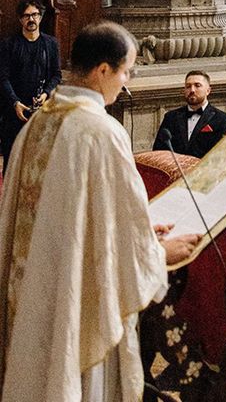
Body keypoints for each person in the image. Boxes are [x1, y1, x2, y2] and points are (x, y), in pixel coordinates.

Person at [0, 21, 198, 401]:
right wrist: (157, 254)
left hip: (33, 289)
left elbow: (76, 213)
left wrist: (140, 232)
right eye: (126, 72)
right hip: (74, 295)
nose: (125, 83)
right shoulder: (100, 132)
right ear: (103, 70)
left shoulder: (38, 122)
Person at [0, 0, 61, 171]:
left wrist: (46, 94)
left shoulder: (51, 44)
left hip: (41, 111)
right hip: (14, 112)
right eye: (26, 16)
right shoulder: (8, 45)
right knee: (12, 163)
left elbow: (56, 75)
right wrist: (14, 102)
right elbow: (3, 78)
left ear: (40, 17)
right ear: (20, 19)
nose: (31, 19)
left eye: (34, 15)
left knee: (39, 163)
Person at [152, 69, 226, 158]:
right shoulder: (171, 117)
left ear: (208, 91)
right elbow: (158, 151)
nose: (192, 90)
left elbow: (222, 155)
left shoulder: (222, 119)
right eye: (188, 86)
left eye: (197, 85)